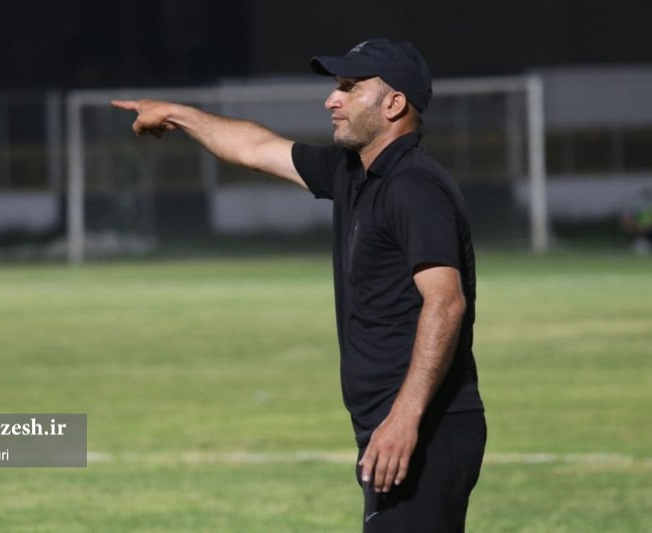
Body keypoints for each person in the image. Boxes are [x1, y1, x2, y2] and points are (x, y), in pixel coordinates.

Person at [112, 38, 485, 532]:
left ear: (394, 104)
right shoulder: (354, 173)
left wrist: (405, 418)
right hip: (394, 424)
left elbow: (446, 303)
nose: (332, 100)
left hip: (427, 427)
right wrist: (177, 114)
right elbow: (254, 148)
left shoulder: (414, 186)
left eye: (349, 88)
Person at [620, 187, 652, 254]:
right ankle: (634, 240)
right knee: (626, 221)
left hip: (651, 228)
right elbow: (627, 217)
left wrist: (647, 226)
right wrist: (636, 226)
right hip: (639, 228)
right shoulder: (637, 205)